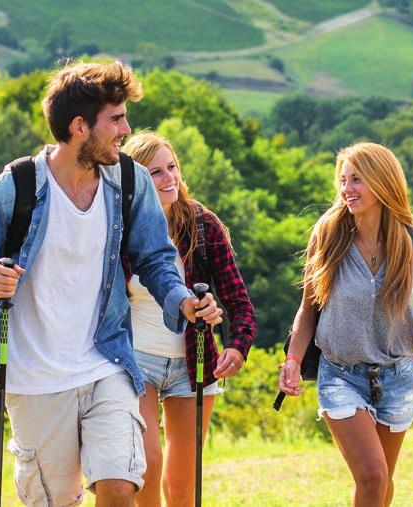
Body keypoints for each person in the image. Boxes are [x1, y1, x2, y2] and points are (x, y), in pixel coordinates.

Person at [0, 61, 223, 507]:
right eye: (115, 119)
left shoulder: (129, 181)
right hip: (35, 377)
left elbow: (155, 258)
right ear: (79, 127)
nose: (126, 129)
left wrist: (183, 301)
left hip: (105, 361)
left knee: (119, 486)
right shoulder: (13, 188)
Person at [279, 142, 413, 507]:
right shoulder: (328, 234)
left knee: (382, 485)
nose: (346, 189)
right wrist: (292, 360)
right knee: (372, 475)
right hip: (341, 373)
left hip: (397, 375)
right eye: (343, 180)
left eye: (357, 180)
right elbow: (308, 310)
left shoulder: (412, 241)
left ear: (382, 182)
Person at [121, 132, 256, 507]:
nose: (169, 179)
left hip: (194, 359)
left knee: (182, 486)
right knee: (146, 465)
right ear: (136, 183)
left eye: (172, 167)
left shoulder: (201, 224)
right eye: (155, 173)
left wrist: (237, 346)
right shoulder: (120, 229)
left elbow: (238, 301)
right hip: (136, 360)